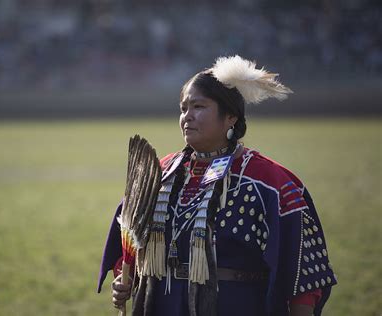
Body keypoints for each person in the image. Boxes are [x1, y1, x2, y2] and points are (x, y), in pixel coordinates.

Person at [97, 55, 337, 316]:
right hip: (162, 305)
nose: (187, 116)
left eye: (198, 106)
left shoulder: (271, 182)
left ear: (231, 116)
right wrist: (126, 277)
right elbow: (129, 239)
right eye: (183, 108)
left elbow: (300, 271)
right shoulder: (159, 174)